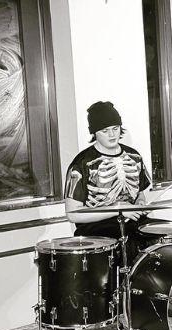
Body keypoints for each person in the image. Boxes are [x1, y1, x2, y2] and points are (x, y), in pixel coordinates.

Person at [64, 101, 152, 257]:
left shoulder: (134, 156)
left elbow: (139, 194)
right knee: (130, 242)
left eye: (115, 129)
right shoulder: (81, 163)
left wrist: (139, 204)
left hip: (131, 222)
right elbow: (73, 214)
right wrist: (118, 209)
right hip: (96, 229)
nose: (112, 135)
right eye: (105, 130)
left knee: (163, 235)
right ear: (94, 133)